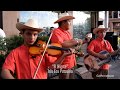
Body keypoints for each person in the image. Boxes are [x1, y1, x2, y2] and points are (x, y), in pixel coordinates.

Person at [1, 19, 72, 79]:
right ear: (22, 33)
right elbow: (4, 71)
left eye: (35, 34)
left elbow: (53, 67)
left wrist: (63, 56)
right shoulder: (15, 53)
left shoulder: (43, 51)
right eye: (28, 34)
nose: (32, 37)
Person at [50, 12, 83, 79]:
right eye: (69, 21)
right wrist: (76, 41)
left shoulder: (67, 32)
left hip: (71, 61)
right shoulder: (56, 32)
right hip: (64, 63)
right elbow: (62, 45)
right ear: (63, 22)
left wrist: (76, 51)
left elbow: (71, 46)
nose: (70, 23)